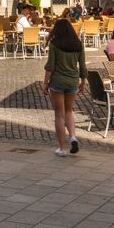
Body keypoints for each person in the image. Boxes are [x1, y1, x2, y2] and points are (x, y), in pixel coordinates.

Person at [43, 19, 87, 156]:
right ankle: (73, 136)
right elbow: (83, 66)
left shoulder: (54, 44)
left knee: (59, 114)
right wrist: (83, 81)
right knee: (69, 111)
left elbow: (50, 66)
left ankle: (62, 148)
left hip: (57, 81)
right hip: (73, 81)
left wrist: (45, 83)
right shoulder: (78, 45)